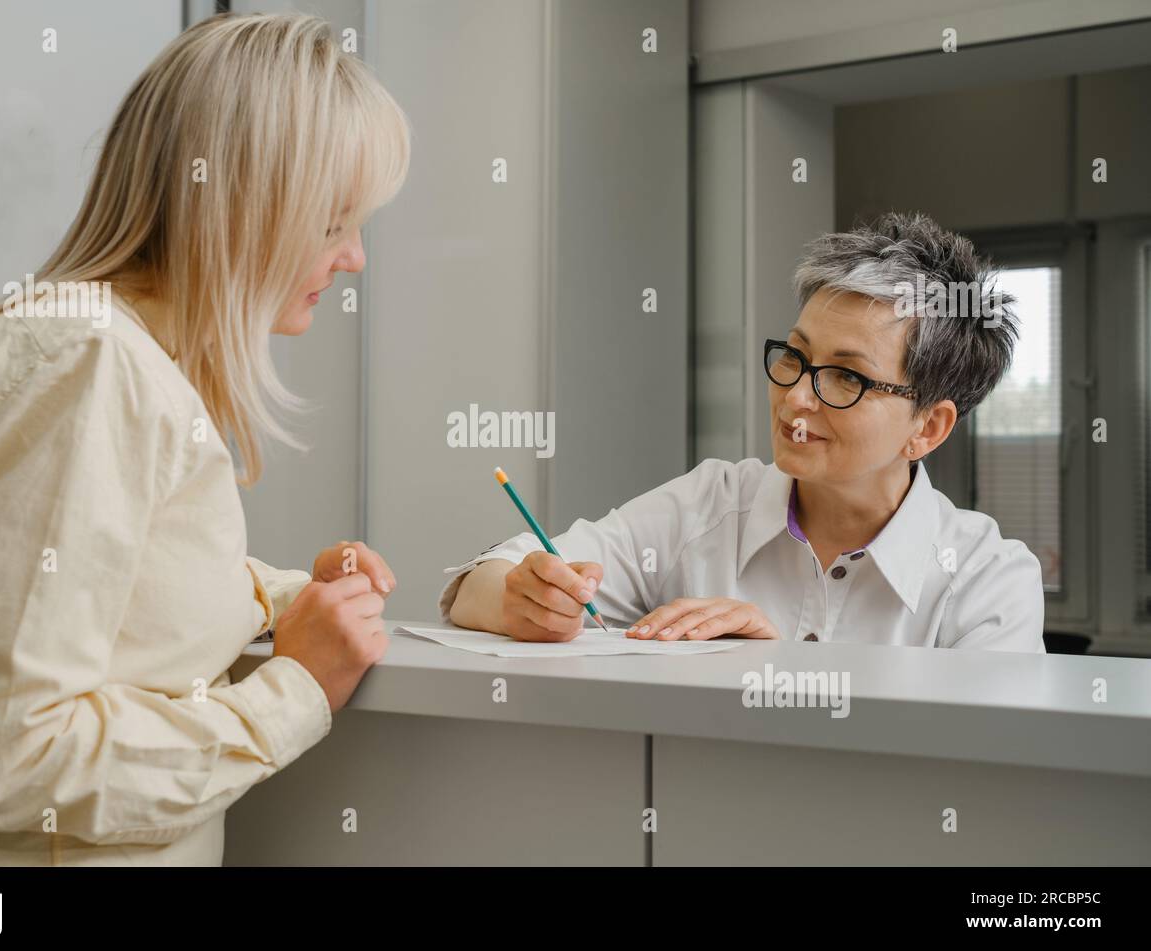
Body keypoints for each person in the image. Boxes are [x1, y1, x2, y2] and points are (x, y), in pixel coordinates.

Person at [0, 13, 410, 865]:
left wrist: (286, 599)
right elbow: (7, 760)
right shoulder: (89, 368)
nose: (355, 260)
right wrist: (295, 692)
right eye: (335, 222)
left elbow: (112, 596)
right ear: (242, 211)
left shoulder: (105, 357)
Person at [444, 212, 1045, 653]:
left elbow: (980, 786)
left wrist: (774, 665)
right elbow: (480, 582)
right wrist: (522, 601)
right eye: (795, 356)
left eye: (845, 377)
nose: (796, 396)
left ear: (928, 427)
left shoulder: (986, 580)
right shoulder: (708, 506)